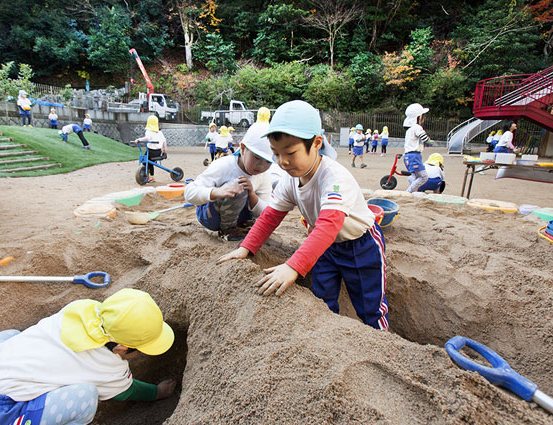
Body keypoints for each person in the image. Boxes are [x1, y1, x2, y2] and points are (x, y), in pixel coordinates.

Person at [218, 100, 389, 330]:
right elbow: (270, 216)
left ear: (317, 143)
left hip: (360, 245)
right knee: (321, 299)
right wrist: (246, 247)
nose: (282, 161)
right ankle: (331, 338)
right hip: (323, 247)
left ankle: (380, 339)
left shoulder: (335, 178)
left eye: (290, 152)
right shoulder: (291, 178)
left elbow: (329, 226)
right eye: (276, 154)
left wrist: (293, 267)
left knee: (369, 305)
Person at [0, 288, 176, 425]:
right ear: (121, 348)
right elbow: (127, 391)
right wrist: (157, 392)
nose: (141, 354)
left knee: (9, 336)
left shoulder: (79, 309)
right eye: (141, 350)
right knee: (86, 396)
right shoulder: (108, 368)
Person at [185, 116, 274, 241]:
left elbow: (267, 210)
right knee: (239, 185)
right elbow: (189, 192)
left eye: (268, 162)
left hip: (240, 217)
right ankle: (227, 231)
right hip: (212, 217)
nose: (261, 165)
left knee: (266, 216)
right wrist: (217, 192)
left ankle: (239, 225)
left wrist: (252, 195)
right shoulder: (224, 165)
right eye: (257, 158)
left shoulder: (264, 174)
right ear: (243, 149)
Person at [403, 103, 433, 193]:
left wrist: (424, 144)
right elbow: (424, 137)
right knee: (423, 177)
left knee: (415, 177)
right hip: (414, 156)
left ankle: (414, 192)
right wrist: (429, 142)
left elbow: (414, 142)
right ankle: (408, 193)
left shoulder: (409, 130)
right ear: (419, 117)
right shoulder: (417, 127)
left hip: (408, 156)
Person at [134, 115, 167, 183]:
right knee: (150, 163)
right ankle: (151, 176)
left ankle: (149, 176)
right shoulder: (160, 133)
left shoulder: (149, 131)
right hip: (158, 152)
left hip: (150, 152)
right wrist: (164, 151)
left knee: (145, 162)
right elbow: (164, 141)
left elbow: (147, 138)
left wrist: (139, 139)